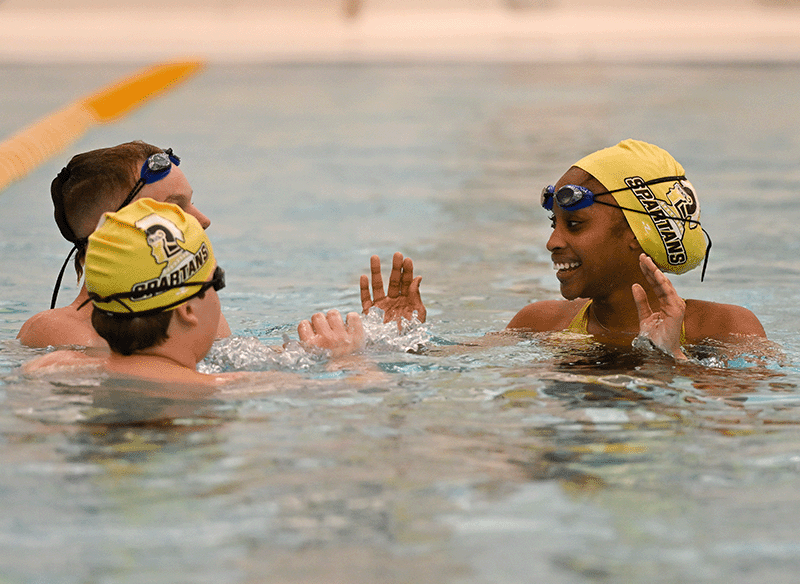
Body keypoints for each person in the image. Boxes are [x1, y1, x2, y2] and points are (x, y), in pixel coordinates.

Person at [361, 140, 766, 360]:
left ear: (637, 233)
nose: (553, 241)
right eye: (553, 224)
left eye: (574, 224)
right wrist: (399, 341)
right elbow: (444, 369)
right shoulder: (539, 322)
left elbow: (747, 429)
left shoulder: (725, 329)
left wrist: (669, 355)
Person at [24, 198, 364, 385]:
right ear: (187, 310)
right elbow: (372, 402)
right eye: (215, 281)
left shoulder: (51, 367)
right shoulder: (236, 389)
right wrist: (348, 359)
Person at [17, 141, 232, 348]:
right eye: (173, 208)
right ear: (111, 229)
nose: (203, 220)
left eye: (190, 203)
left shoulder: (205, 320)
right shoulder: (55, 334)